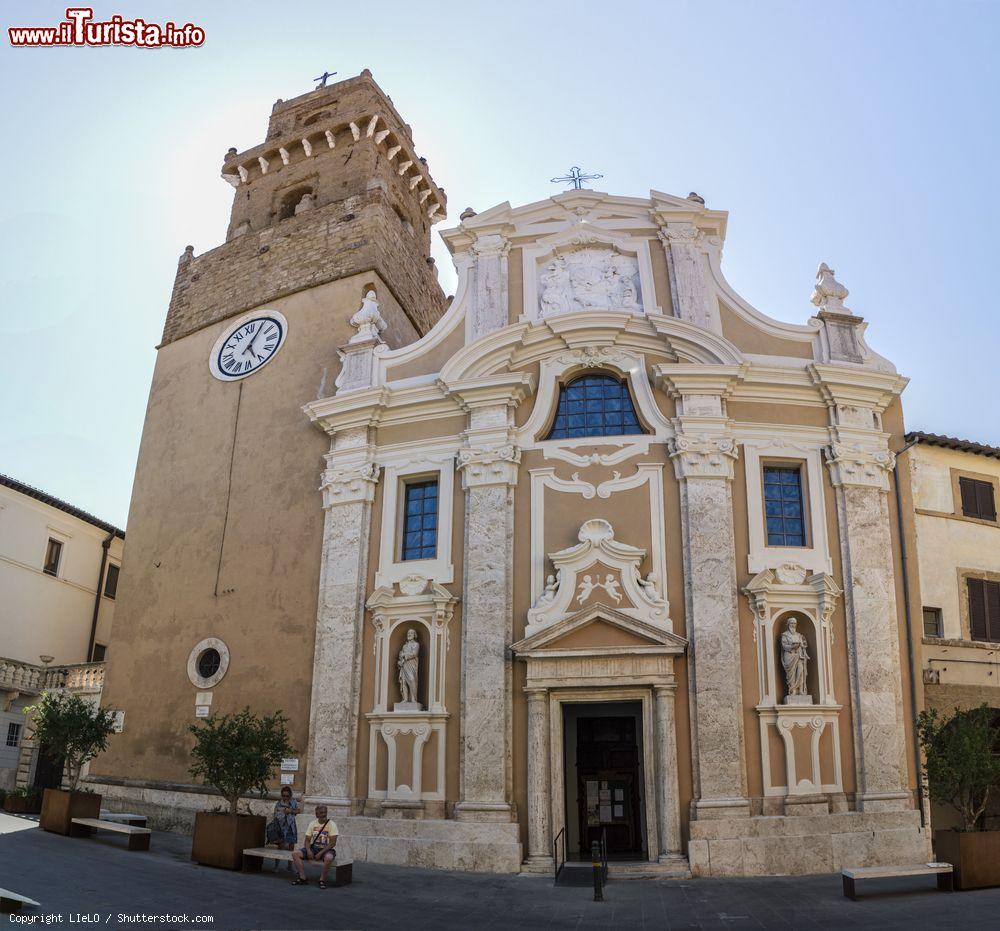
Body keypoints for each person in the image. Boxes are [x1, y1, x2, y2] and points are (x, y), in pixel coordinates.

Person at [291, 804, 338, 888]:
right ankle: (302, 878)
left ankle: (322, 880)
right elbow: (307, 840)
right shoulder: (312, 824)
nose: (324, 814)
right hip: (314, 848)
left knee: (329, 858)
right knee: (295, 854)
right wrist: (308, 850)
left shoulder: (332, 824)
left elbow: (332, 843)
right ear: (317, 814)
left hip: (326, 849)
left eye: (325, 812)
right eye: (321, 812)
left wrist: (321, 853)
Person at [271, 786, 299, 871]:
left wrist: (290, 811)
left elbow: (298, 811)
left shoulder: (293, 802)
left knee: (291, 846)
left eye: (287, 796)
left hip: (291, 826)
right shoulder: (279, 803)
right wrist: (282, 813)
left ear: (290, 795)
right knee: (280, 846)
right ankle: (276, 866)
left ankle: (289, 866)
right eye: (284, 795)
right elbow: (275, 814)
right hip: (281, 826)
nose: (285, 797)